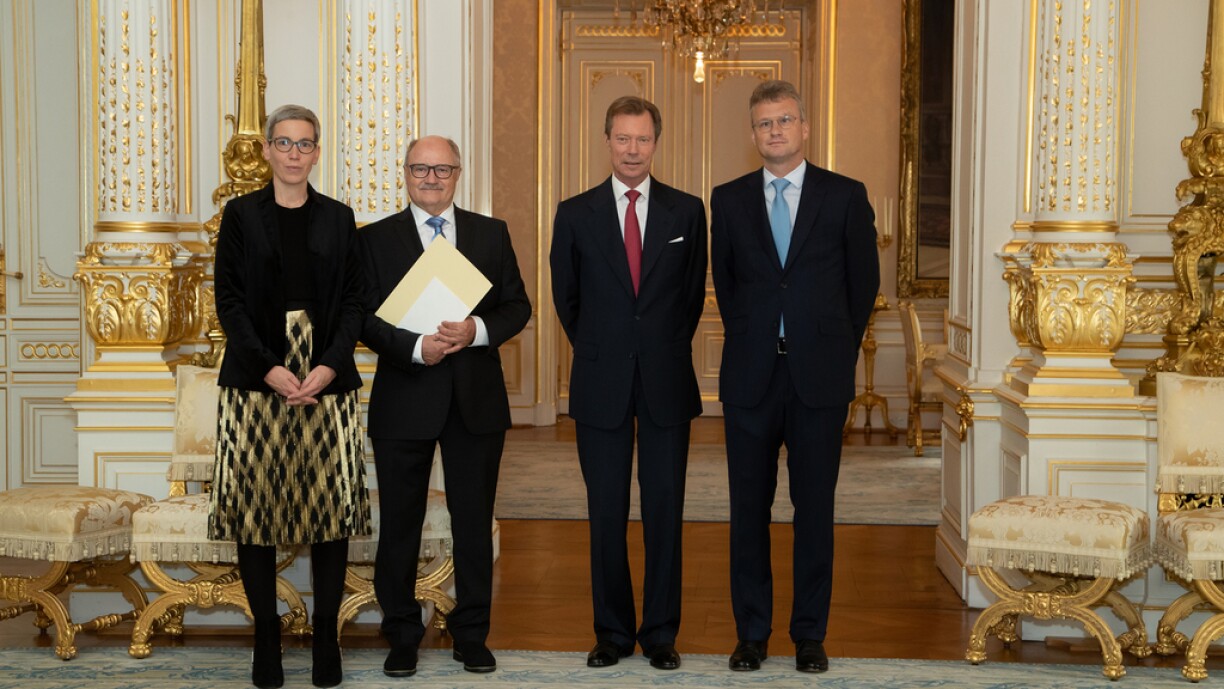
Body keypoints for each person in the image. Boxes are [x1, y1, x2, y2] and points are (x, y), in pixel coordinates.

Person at [710, 80, 879, 674]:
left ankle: (809, 634)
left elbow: (863, 286)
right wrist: (761, 336)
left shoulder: (845, 196)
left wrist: (829, 344)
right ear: (752, 134)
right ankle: (751, 634)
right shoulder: (727, 200)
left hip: (819, 379)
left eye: (784, 120)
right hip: (751, 378)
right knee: (747, 511)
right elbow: (727, 287)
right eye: (763, 123)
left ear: (804, 128)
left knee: (815, 510)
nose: (774, 131)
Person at [209, 104, 372, 689]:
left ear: (318, 152)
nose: (295, 153)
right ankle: (266, 643)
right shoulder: (239, 216)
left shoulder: (338, 216)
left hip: (327, 380)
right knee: (257, 517)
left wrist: (328, 367)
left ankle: (326, 640)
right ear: (269, 151)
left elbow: (355, 302)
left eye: (305, 144)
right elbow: (227, 301)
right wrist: (270, 369)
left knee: (329, 515)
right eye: (284, 142)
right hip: (257, 381)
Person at [360, 135, 531, 677]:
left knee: (474, 524)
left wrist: (476, 330)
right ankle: (403, 635)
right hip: (404, 400)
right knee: (401, 526)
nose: (431, 179)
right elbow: (362, 317)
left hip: (475, 402)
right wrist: (416, 347)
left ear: (459, 174)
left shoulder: (490, 232)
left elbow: (517, 306)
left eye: (442, 170)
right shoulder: (376, 239)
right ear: (405, 174)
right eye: (420, 169)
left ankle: (472, 635)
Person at [550, 96, 707, 671]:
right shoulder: (574, 212)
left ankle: (661, 633)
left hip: (666, 379)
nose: (632, 150)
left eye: (642, 139)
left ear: (656, 143)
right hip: (600, 382)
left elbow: (689, 300)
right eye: (622, 139)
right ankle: (612, 633)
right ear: (607, 140)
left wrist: (654, 346)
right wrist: (603, 347)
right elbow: (567, 299)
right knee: (606, 513)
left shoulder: (687, 213)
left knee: (665, 511)